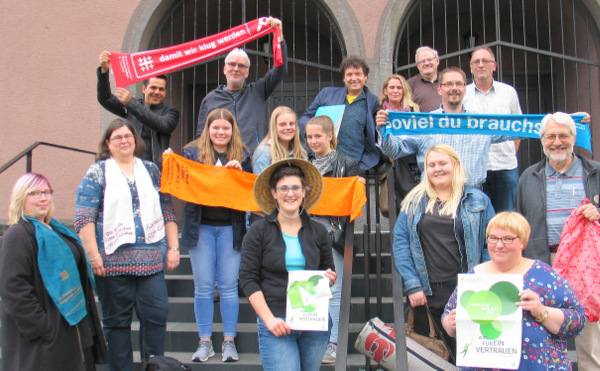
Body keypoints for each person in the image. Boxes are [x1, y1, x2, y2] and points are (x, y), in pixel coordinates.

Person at [75, 118, 180, 371]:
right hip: (111, 267)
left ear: (136, 140)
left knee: (156, 320)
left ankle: (154, 368)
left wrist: (174, 248)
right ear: (108, 144)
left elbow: (168, 211)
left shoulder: (151, 170)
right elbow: (84, 217)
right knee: (117, 326)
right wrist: (93, 255)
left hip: (152, 265)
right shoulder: (98, 172)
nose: (124, 140)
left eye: (128, 136)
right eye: (117, 137)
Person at [442, 212, 586, 370]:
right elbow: (448, 313)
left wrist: (542, 312)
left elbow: (577, 320)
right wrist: (450, 323)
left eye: (508, 239)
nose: (499, 245)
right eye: (493, 238)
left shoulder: (542, 275)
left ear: (522, 242)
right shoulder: (474, 276)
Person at [516, 111, 600, 370]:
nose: (557, 142)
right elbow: (520, 224)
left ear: (574, 138)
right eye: (550, 136)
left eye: (563, 135)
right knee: (544, 328)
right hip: (543, 261)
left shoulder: (595, 173)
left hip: (587, 266)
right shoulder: (528, 177)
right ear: (541, 140)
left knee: (591, 338)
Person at [0, 173, 108, 371]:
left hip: (71, 326)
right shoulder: (18, 235)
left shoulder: (56, 230)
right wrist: (43, 327)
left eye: (47, 192)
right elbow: (13, 289)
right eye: (35, 193)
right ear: (21, 198)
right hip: (44, 338)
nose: (43, 198)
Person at [393, 144, 494, 352]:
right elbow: (400, 243)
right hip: (427, 294)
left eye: (442, 163)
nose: (437, 169)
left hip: (467, 291)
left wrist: (482, 283)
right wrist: (412, 285)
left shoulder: (478, 200)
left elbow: (490, 243)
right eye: (431, 165)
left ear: (455, 165)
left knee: (469, 355)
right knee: (434, 358)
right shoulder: (414, 202)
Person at [239, 158, 336, 371]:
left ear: (304, 192)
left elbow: (328, 270)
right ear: (274, 193)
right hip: (277, 321)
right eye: (283, 188)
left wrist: (329, 278)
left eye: (295, 188)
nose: (290, 194)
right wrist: (268, 319)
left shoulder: (319, 231)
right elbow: (248, 279)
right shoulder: (258, 231)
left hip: (313, 321)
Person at [179, 108, 250, 363]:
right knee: (204, 287)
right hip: (201, 229)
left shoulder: (244, 155)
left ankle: (229, 341)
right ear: (207, 130)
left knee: (230, 287)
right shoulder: (191, 154)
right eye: (216, 127)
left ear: (233, 131)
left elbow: (251, 192)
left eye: (226, 128)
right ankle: (205, 341)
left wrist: (240, 173)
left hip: (232, 229)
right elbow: (182, 187)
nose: (221, 132)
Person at [376, 67, 515, 188]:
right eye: (448, 84)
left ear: (465, 89)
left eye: (459, 84)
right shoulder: (425, 123)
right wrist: (384, 131)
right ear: (439, 89)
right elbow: (394, 151)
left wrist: (536, 126)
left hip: (471, 199)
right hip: (434, 200)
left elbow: (517, 129)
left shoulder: (481, 123)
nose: (454, 88)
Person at [304, 115, 363, 364]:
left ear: (330, 136)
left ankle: (336, 343)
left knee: (334, 290)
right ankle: (316, 340)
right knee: (312, 286)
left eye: (318, 136)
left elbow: (351, 201)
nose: (313, 141)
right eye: (309, 137)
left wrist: (356, 186)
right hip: (306, 232)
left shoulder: (347, 163)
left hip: (332, 232)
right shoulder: (303, 164)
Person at [195, 17, 288, 154]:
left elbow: (280, 70)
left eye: (241, 66)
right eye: (232, 64)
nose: (236, 69)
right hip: (221, 162)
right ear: (224, 69)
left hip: (252, 161)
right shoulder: (210, 99)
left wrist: (278, 37)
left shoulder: (257, 91)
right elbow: (200, 137)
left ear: (247, 72)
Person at [463, 46, 522, 212]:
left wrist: (510, 152)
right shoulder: (463, 94)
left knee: (505, 217)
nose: (481, 65)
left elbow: (517, 129)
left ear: (494, 66)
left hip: (505, 167)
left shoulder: (508, 92)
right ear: (471, 67)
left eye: (485, 61)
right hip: (473, 169)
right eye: (476, 62)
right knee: (477, 218)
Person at [97, 51, 179, 168]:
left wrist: (131, 103)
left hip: (156, 171)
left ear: (165, 92)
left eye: (161, 89)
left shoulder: (171, 113)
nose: (157, 92)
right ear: (144, 89)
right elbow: (105, 99)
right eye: (153, 88)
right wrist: (103, 72)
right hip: (129, 167)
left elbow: (162, 125)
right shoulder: (131, 106)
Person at [299, 55, 380, 170]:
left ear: (365, 76)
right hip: (322, 161)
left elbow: (375, 134)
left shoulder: (373, 102)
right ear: (344, 78)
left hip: (352, 164)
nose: (354, 78)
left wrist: (362, 164)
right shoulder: (326, 94)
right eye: (349, 74)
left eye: (358, 74)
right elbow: (305, 117)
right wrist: (312, 132)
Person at [251, 106, 307, 223]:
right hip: (266, 217)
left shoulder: (301, 153)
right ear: (274, 127)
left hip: (294, 215)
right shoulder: (263, 152)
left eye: (291, 124)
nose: (288, 128)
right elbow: (262, 190)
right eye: (282, 124)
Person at [378, 74, 421, 212]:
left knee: (414, 206)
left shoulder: (413, 109)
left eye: (399, 87)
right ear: (385, 90)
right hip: (390, 165)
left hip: (412, 165)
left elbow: (419, 135)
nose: (395, 91)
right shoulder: (379, 111)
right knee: (395, 208)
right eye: (392, 87)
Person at [407, 46, 442, 112]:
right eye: (422, 61)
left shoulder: (446, 80)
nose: (426, 63)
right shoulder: (409, 84)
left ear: (437, 61)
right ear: (417, 65)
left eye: (429, 59)